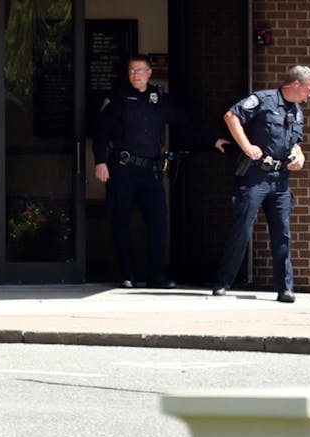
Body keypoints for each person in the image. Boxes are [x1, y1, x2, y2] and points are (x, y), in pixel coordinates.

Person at [93, 55, 226, 288]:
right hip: (122, 170)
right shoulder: (117, 99)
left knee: (158, 223)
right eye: (132, 70)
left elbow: (184, 124)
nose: (136, 75)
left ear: (149, 73)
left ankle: (157, 275)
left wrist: (212, 140)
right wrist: (100, 161)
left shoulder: (160, 100)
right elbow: (101, 131)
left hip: (150, 171)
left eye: (140, 70)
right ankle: (128, 274)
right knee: (121, 221)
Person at [212, 65, 310, 303]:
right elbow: (231, 116)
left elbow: (295, 143)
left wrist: (299, 156)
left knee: (282, 233)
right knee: (243, 229)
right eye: (308, 90)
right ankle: (223, 282)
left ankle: (285, 288)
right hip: (255, 176)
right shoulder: (263, 100)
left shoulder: (297, 111)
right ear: (295, 84)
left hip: (280, 180)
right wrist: (246, 146)